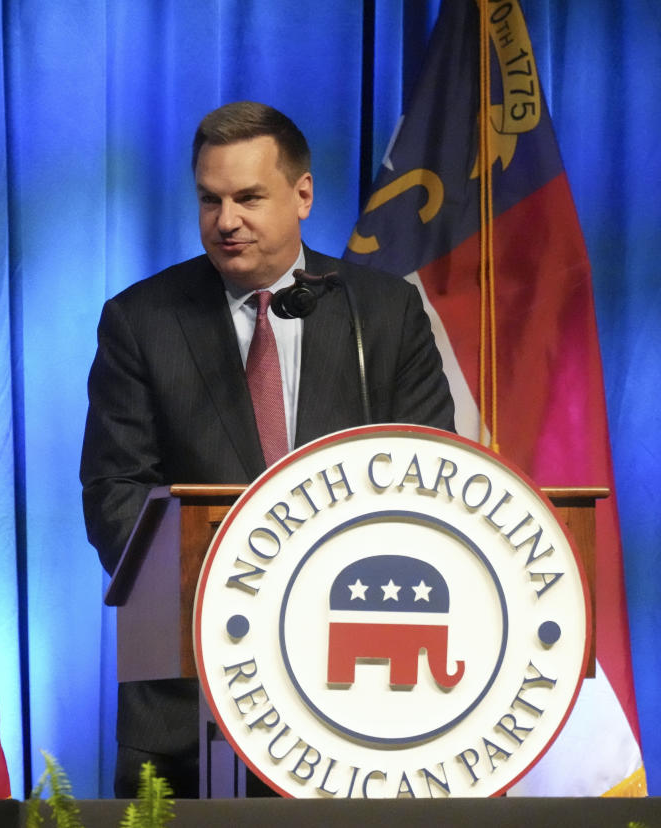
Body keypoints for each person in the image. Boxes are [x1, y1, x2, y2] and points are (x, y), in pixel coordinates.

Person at [80, 101, 454, 798]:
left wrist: (308, 593)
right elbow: (114, 496)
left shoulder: (383, 315)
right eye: (210, 200)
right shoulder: (141, 321)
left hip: (359, 685)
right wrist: (244, 592)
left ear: (303, 194)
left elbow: (433, 486)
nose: (227, 221)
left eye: (249, 197)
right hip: (189, 693)